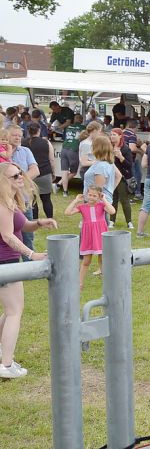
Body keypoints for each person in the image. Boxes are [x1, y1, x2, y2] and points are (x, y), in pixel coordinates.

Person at [0, 162, 57, 378]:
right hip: (5, 262)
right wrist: (31, 254)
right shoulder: (3, 204)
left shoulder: (10, 201)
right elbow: (7, 235)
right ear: (3, 182)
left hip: (7, 262)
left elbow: (22, 226)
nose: (20, 178)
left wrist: (39, 223)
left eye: (20, 174)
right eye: (14, 176)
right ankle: (6, 365)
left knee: (10, 309)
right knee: (15, 312)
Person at [66, 187, 116, 285]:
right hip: (88, 236)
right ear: (86, 194)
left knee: (102, 258)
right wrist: (76, 200)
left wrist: (104, 199)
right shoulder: (82, 207)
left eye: (94, 195)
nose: (91, 197)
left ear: (99, 196)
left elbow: (112, 211)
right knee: (86, 261)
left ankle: (107, 282)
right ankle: (79, 282)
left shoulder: (102, 205)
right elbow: (67, 212)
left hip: (100, 234)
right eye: (90, 195)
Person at [7, 125, 40, 250]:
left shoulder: (25, 151)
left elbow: (35, 170)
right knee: (7, 235)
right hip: (6, 201)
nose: (17, 138)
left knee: (27, 237)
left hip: (23, 200)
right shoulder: (2, 153)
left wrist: (20, 180)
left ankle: (30, 265)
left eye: (20, 136)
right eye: (14, 135)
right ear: (6, 135)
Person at [25, 123, 55, 220]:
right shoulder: (46, 142)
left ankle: (34, 219)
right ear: (39, 130)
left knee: (32, 199)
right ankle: (50, 218)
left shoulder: (23, 142)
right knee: (46, 199)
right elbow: (52, 160)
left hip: (30, 174)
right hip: (45, 173)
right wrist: (53, 172)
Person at [83, 135, 118, 207]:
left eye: (93, 145)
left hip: (96, 204)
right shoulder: (108, 163)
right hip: (100, 202)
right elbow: (119, 176)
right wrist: (110, 190)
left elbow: (97, 189)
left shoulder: (101, 166)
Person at [109, 129, 133, 229]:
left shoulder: (125, 148)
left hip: (122, 177)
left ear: (120, 136)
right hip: (111, 176)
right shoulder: (108, 147)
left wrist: (120, 157)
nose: (112, 136)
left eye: (114, 135)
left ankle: (129, 221)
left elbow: (129, 165)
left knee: (124, 199)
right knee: (112, 199)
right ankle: (111, 220)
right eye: (111, 135)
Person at [58, 115, 85, 195]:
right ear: (82, 120)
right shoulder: (83, 128)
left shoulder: (68, 127)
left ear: (74, 119)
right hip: (73, 150)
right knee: (73, 172)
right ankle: (58, 184)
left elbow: (64, 137)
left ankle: (65, 191)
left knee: (64, 171)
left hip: (64, 149)